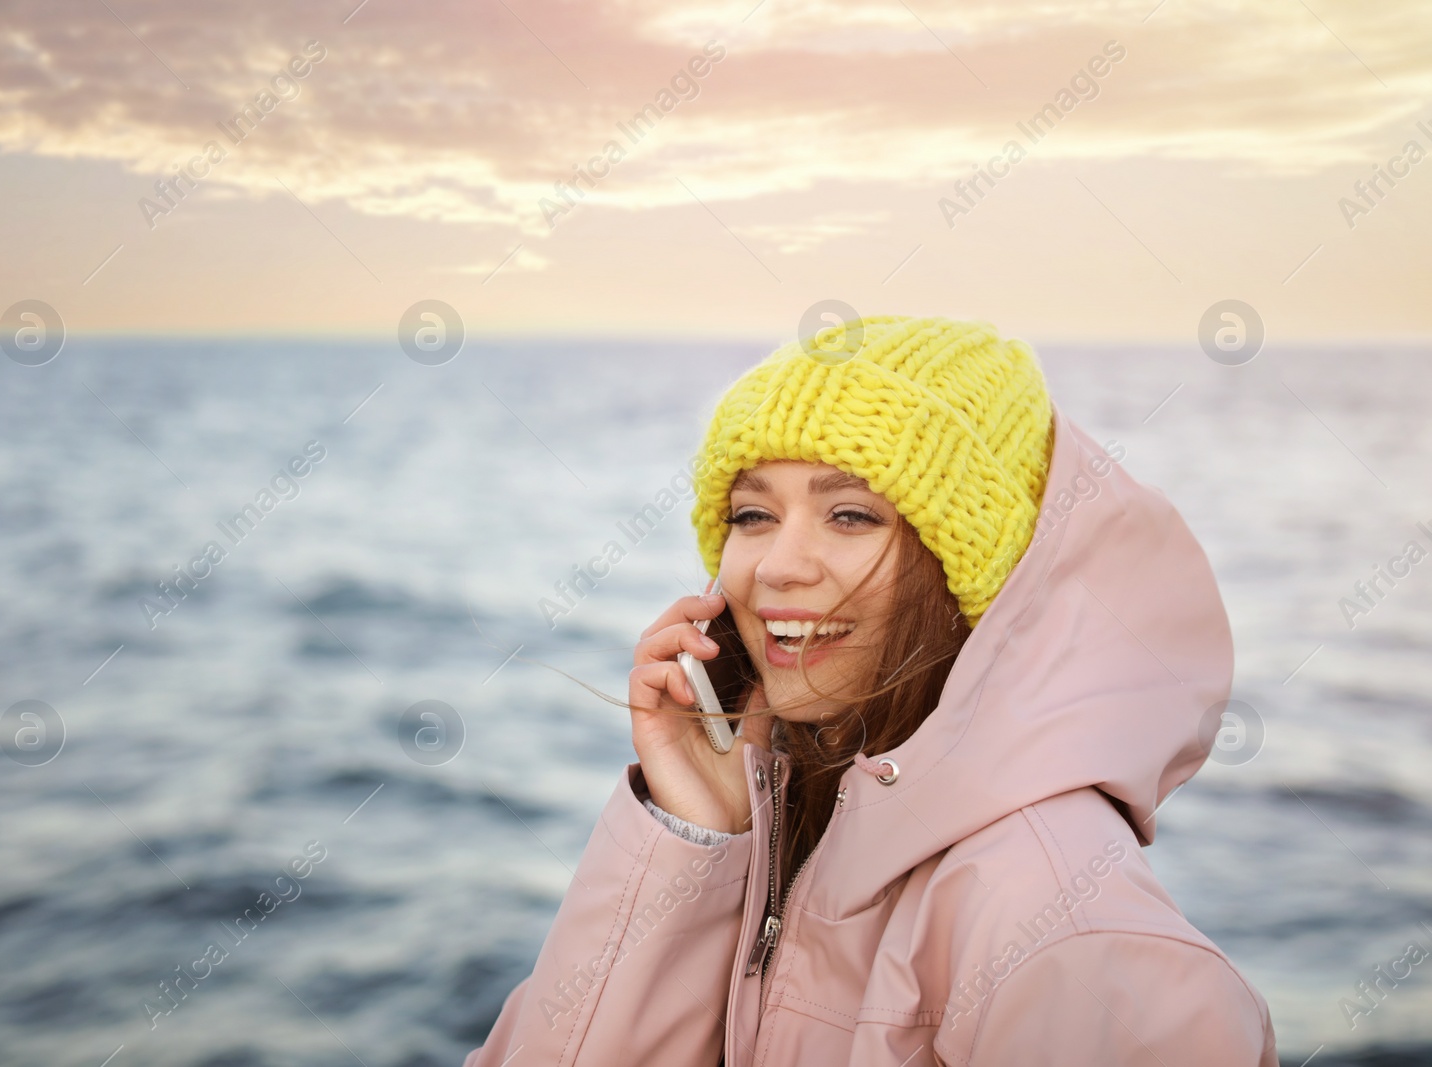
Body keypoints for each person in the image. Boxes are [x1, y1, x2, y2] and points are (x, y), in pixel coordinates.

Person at [465, 315, 1278, 1065]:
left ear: (976, 567)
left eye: (850, 515)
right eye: (751, 515)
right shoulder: (793, 827)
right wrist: (693, 839)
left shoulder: (1060, 925)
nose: (779, 564)